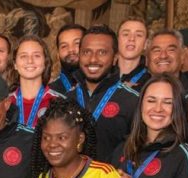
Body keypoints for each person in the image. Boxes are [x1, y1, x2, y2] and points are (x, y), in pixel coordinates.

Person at [65, 25, 139, 166]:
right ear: (79, 55)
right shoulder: (66, 100)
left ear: (115, 58)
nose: (93, 59)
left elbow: (139, 151)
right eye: (86, 52)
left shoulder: (132, 101)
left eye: (102, 52)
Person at [10, 35, 64, 129]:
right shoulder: (6, 104)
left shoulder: (60, 102)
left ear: (45, 63)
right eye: (23, 56)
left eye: (36, 56)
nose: (30, 61)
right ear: (15, 64)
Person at [49, 23, 85, 95]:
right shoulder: (50, 93)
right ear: (58, 54)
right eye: (64, 46)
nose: (71, 49)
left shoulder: (104, 88)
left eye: (77, 43)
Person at [117, 17, 150, 90]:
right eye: (126, 34)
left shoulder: (150, 83)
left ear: (145, 44)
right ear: (117, 40)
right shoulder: (102, 75)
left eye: (138, 35)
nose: (131, 39)